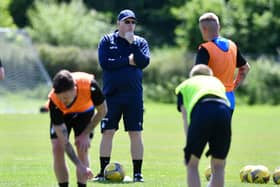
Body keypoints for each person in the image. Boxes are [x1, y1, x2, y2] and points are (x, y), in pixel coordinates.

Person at [94, 9, 150, 182]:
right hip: (111, 96)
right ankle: (103, 171)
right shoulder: (106, 41)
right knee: (108, 132)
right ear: (118, 23)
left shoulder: (140, 42)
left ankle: (138, 173)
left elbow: (143, 62)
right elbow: (105, 64)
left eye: (133, 22)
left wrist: (132, 44)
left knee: (135, 133)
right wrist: (127, 61)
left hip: (133, 97)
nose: (130, 25)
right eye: (127, 22)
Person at [48, 69, 107, 187]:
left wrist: (86, 134)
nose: (63, 101)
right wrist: (81, 167)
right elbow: (65, 143)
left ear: (74, 89)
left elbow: (102, 111)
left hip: (84, 113)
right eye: (61, 98)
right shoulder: (54, 101)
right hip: (63, 115)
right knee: (57, 148)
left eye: (66, 98)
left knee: (82, 148)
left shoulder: (90, 86)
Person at [175, 64, 232, 187]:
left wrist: (189, 144)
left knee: (192, 164)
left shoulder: (185, 85)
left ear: (192, 76)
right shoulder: (217, 82)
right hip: (224, 112)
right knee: (219, 166)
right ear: (209, 76)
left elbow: (185, 118)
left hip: (203, 109)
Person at [195, 12, 250, 112]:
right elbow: (245, 68)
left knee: (207, 128)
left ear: (203, 29)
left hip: (212, 98)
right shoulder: (232, 46)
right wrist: (234, 85)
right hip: (229, 99)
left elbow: (198, 76)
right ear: (219, 27)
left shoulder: (205, 49)